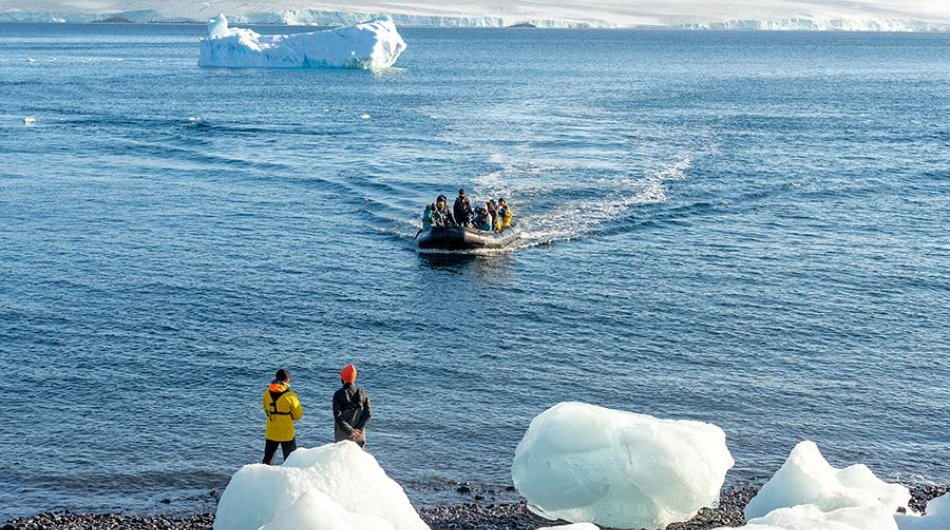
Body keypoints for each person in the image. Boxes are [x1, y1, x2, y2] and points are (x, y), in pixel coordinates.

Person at [262, 368, 304, 465]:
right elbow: (298, 415)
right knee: (291, 460)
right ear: (287, 380)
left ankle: (264, 477)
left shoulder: (266, 394)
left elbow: (266, 410)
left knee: (267, 460)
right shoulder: (290, 395)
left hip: (271, 430)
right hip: (286, 432)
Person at [333, 363, 372, 448]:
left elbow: (338, 416)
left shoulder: (338, 394)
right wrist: (358, 429)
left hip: (344, 437)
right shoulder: (363, 394)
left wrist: (351, 431)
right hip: (359, 436)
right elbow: (368, 414)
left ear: (342, 378)